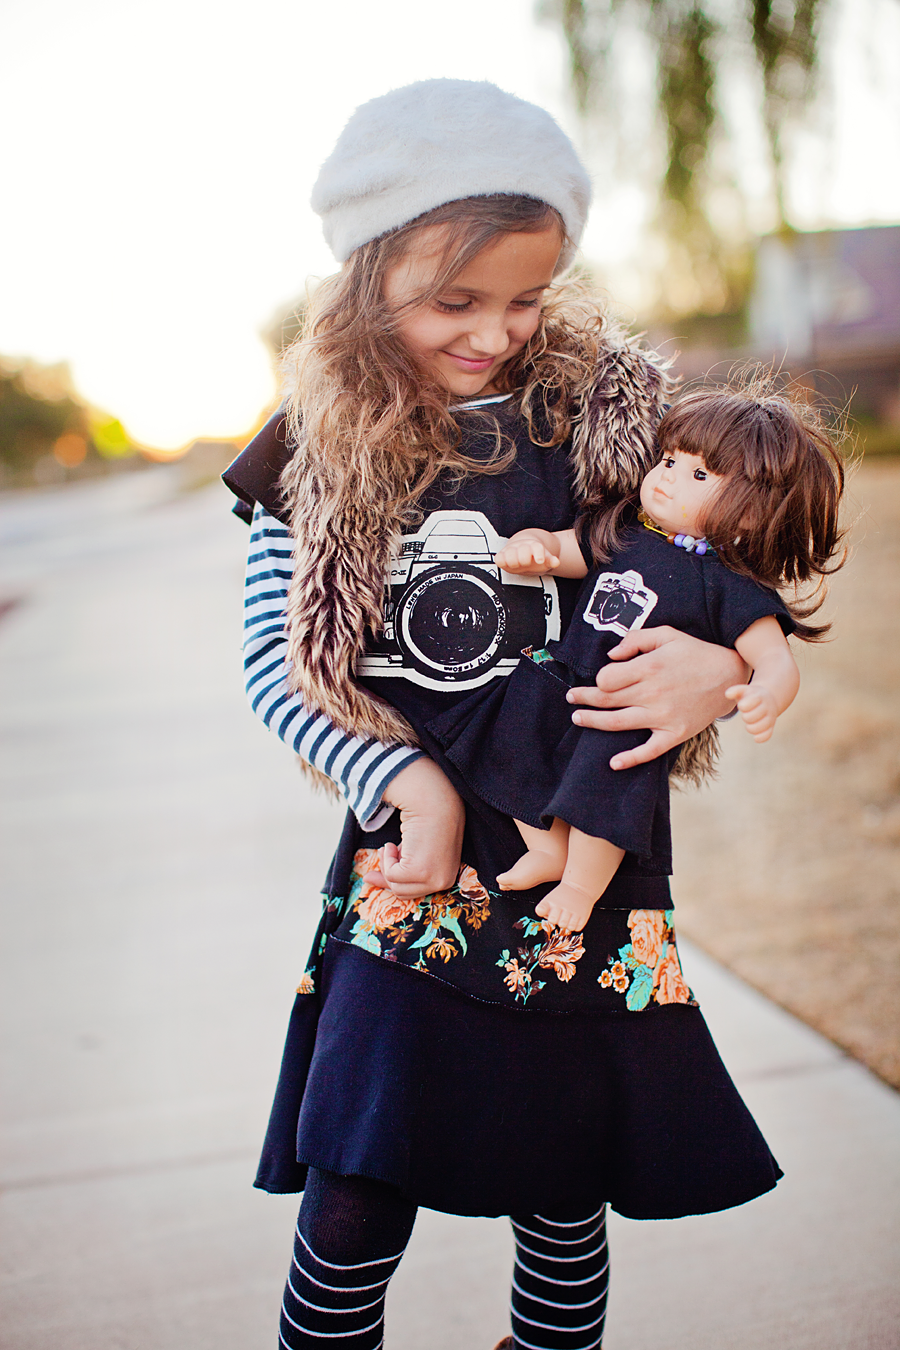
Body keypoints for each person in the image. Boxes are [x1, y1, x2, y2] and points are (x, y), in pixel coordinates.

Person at [224, 79, 785, 1350]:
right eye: (452, 301)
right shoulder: (307, 450)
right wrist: (400, 782)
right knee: (356, 1182)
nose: (493, 332)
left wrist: (723, 672)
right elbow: (274, 664)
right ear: (369, 277)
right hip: (413, 857)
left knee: (565, 1187)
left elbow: (731, 571)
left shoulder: (613, 418)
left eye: (527, 297)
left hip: (586, 848)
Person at [430, 381, 846, 932]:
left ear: (751, 514)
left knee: (606, 791)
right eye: (670, 459)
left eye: (699, 475)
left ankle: (578, 886)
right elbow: (562, 548)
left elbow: (775, 660)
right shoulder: (625, 532)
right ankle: (546, 846)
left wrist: (766, 694)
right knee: (505, 743)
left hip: (630, 712)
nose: (668, 476)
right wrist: (533, 548)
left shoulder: (729, 585)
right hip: (562, 677)